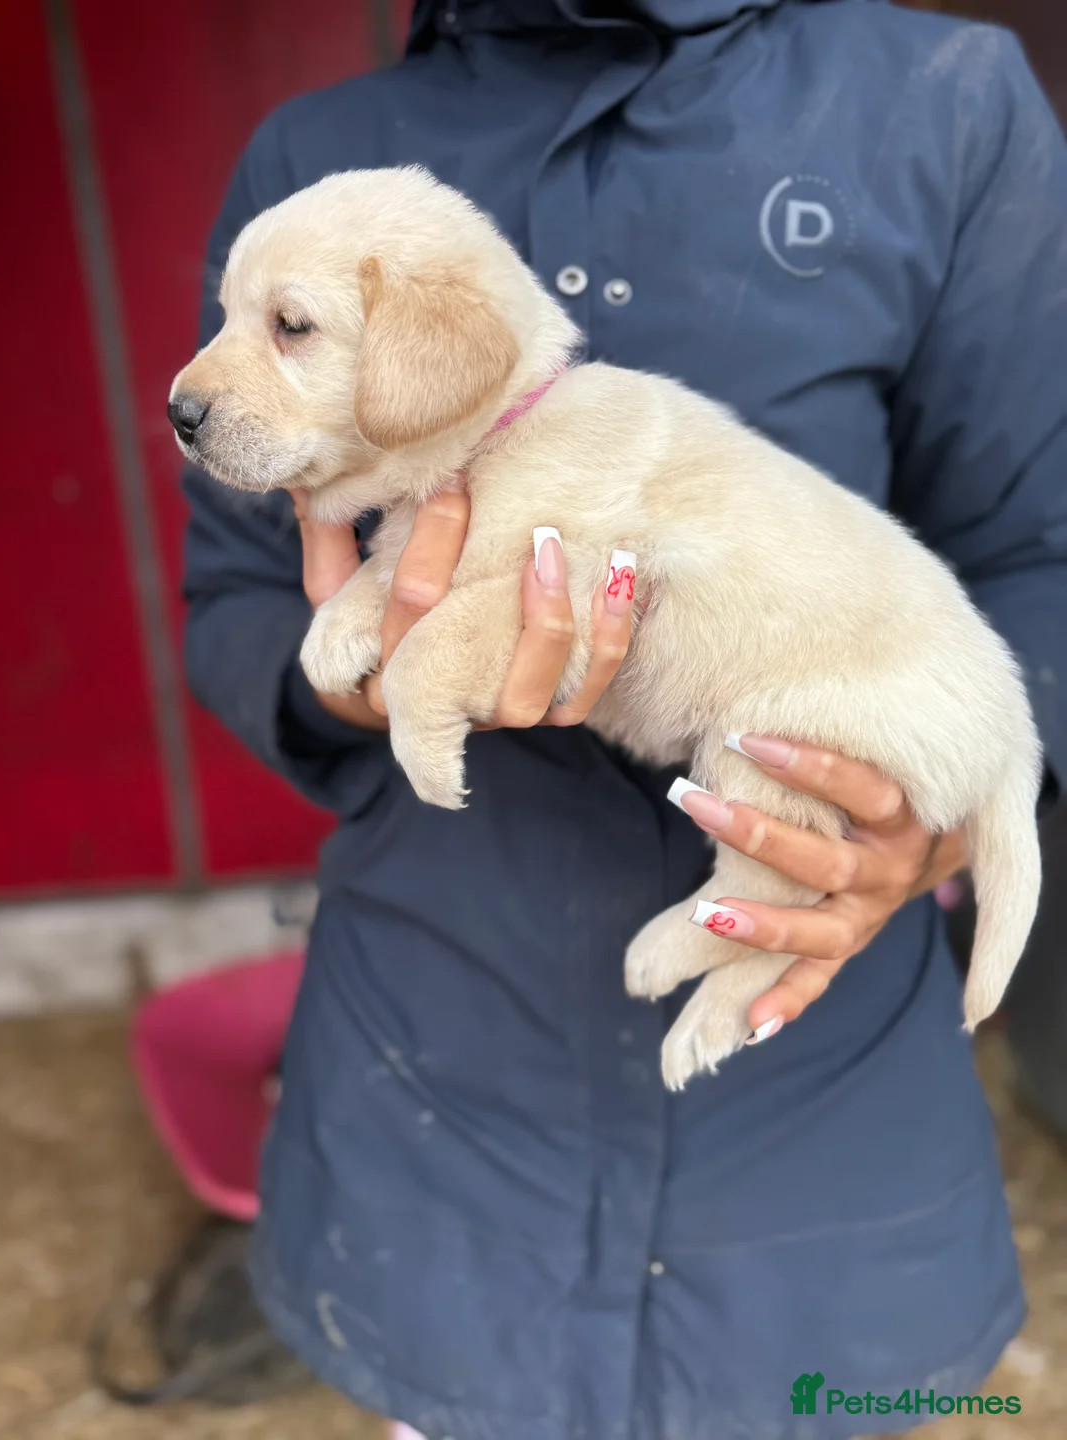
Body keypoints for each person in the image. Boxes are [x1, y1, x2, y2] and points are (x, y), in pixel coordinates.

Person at [180, 2, 1067, 1436]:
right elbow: (230, 597)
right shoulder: (322, 155)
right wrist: (343, 673)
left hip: (813, 1131)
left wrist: (931, 823)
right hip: (437, 1098)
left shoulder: (938, 106)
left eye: (282, 326)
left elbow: (1043, 552)